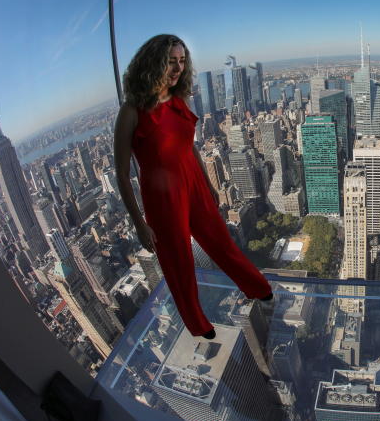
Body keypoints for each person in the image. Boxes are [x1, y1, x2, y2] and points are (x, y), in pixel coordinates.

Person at [113, 34, 273, 340]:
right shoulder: (131, 111)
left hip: (195, 183)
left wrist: (208, 183)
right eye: (170, 61)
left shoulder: (178, 100)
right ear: (152, 63)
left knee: (221, 242)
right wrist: (139, 223)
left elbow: (191, 148)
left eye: (181, 61)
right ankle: (198, 324)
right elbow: (121, 173)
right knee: (179, 264)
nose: (176, 68)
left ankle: (257, 287)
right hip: (162, 197)